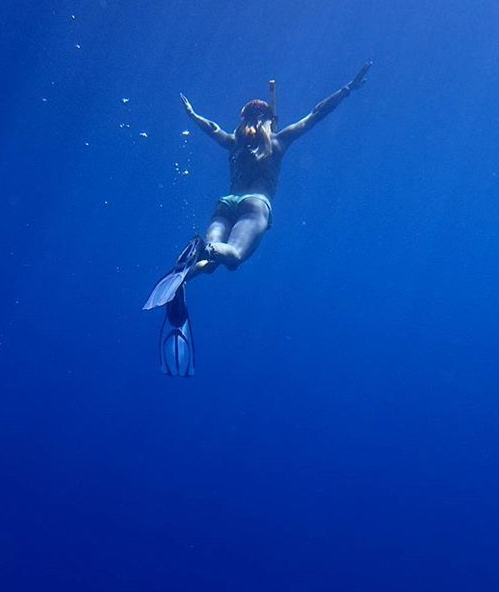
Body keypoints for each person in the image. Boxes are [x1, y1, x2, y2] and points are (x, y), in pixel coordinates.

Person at [144, 62, 372, 375]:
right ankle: (203, 248)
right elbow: (317, 114)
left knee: (212, 264)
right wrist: (347, 89)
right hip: (255, 203)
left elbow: (211, 128)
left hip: (225, 203)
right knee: (234, 256)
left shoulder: (234, 143)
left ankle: (187, 273)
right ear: (269, 120)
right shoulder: (278, 142)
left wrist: (192, 114)